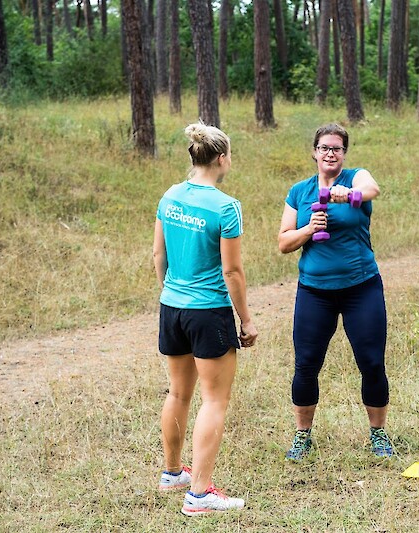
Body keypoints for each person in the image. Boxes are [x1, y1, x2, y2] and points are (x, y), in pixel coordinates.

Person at [153, 122, 258, 516]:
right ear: (221, 158)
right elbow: (232, 273)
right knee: (214, 400)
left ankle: (172, 473)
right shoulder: (225, 206)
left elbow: (158, 256)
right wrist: (246, 320)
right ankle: (199, 494)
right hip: (207, 311)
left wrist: (171, 293)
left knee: (177, 393)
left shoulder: (169, 196)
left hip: (172, 307)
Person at [277, 123, 393, 461]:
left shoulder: (355, 177)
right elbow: (283, 242)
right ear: (314, 151)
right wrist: (309, 229)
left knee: (371, 362)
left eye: (337, 149)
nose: (331, 153)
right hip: (315, 292)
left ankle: (378, 433)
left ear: (344, 154)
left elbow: (373, 189)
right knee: (307, 365)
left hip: (362, 288)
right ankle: (302, 436)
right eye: (325, 147)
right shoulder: (299, 191)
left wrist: (348, 195)